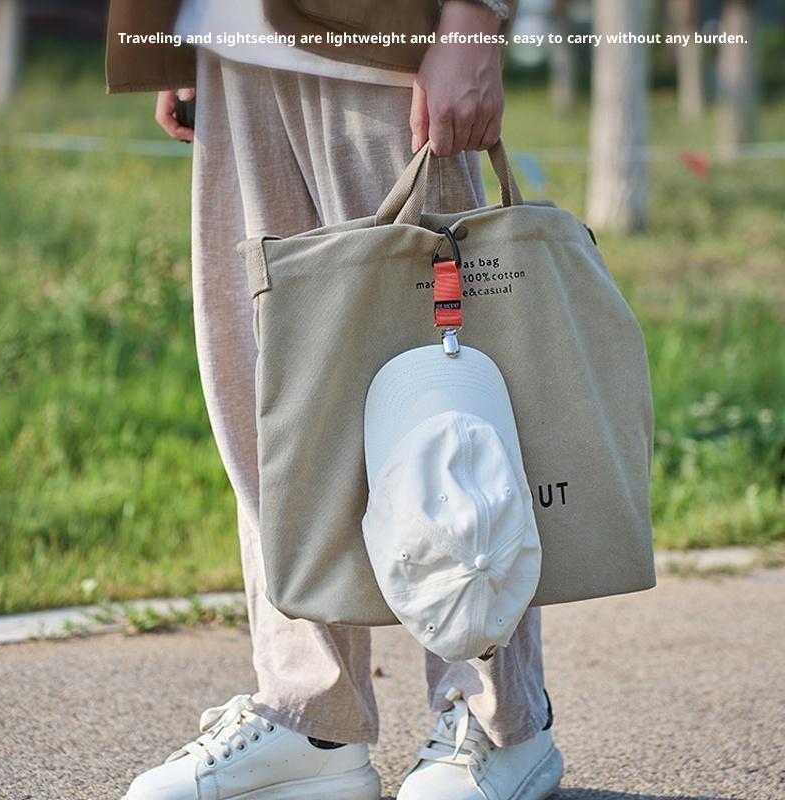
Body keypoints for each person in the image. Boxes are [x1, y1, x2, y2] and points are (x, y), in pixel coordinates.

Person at [108, 1, 565, 798]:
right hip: (232, 43)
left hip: (386, 43)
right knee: (271, 410)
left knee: (448, 400)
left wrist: (474, 19)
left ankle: (498, 721)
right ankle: (311, 717)